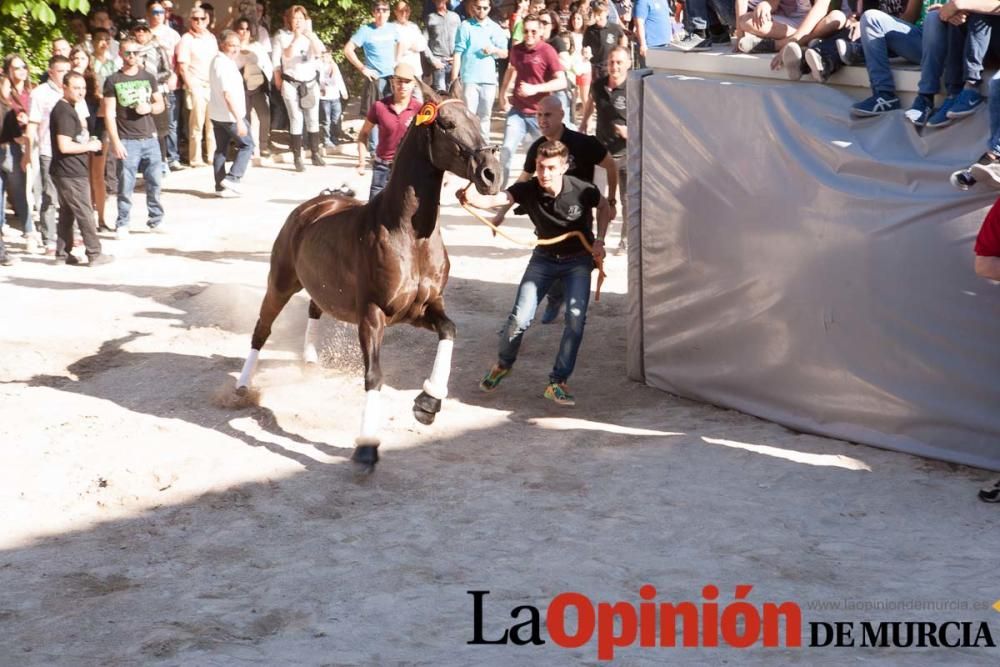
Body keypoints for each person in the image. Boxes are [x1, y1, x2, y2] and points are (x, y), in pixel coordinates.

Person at [460, 139, 612, 406]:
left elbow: (604, 208)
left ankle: (558, 382)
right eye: (541, 167)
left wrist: (600, 240)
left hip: (578, 261)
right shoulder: (528, 189)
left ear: (564, 167)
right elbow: (499, 199)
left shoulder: (583, 190)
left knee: (576, 321)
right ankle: (503, 365)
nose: (544, 173)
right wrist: (472, 198)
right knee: (519, 318)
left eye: (551, 168)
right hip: (543, 259)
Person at [848, 1, 957, 119]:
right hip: (920, 40)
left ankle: (925, 99)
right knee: (871, 17)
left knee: (933, 17)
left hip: (951, 45)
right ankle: (884, 95)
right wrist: (886, 35)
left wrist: (948, 11)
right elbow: (909, 18)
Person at [49, 71, 113, 266]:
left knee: (68, 213)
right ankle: (94, 253)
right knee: (85, 212)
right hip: (70, 172)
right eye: (76, 88)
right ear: (64, 87)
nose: (81, 92)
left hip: (67, 171)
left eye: (83, 88)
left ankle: (62, 253)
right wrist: (90, 146)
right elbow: (64, 145)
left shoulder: (69, 108)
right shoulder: (64, 111)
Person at [104, 36, 166, 237]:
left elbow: (160, 105)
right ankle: (123, 221)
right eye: (128, 52)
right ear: (120, 54)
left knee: (155, 181)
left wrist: (149, 107)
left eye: (135, 53)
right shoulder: (113, 80)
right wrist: (115, 141)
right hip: (127, 139)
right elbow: (109, 113)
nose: (132, 56)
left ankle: (155, 219)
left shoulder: (148, 77)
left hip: (149, 137)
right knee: (125, 184)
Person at [498, 14, 567, 185]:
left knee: (544, 155)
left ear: (541, 31)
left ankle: (544, 190)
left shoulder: (547, 51)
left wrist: (535, 89)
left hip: (540, 114)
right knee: (506, 150)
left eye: (533, 31)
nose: (529, 35)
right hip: (518, 111)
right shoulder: (517, 50)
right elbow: (511, 69)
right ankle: (499, 192)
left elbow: (562, 81)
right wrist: (502, 92)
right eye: (526, 31)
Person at [24, 55, 72, 255]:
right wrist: (29, 153)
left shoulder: (73, 91)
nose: (64, 75)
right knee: (50, 196)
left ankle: (69, 235)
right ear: (51, 72)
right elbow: (32, 124)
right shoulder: (40, 93)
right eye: (61, 71)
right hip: (47, 150)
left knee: (69, 196)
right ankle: (49, 238)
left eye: (66, 71)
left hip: (69, 150)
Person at [582, 46, 629, 250]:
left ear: (628, 64)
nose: (614, 66)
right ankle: (598, 237)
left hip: (627, 153)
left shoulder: (633, 88)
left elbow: (649, 117)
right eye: (611, 62)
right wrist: (584, 121)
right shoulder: (599, 85)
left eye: (619, 62)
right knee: (597, 198)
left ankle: (625, 240)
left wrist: (631, 132)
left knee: (627, 200)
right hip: (602, 154)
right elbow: (591, 101)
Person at [273, 5, 326, 171]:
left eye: (301, 19)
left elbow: (319, 53)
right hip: (291, 83)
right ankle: (297, 156)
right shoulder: (282, 36)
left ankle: (315, 152)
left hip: (310, 83)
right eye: (295, 18)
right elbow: (283, 57)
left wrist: (310, 36)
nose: (298, 22)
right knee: (296, 119)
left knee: (313, 118)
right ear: (289, 20)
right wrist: (295, 38)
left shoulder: (310, 36)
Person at [356, 62, 421, 199]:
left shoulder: (419, 109)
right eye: (399, 81)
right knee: (374, 214)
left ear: (414, 83)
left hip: (408, 169)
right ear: (392, 82)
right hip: (382, 168)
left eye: (407, 82)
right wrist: (361, 161)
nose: (402, 85)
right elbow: (364, 134)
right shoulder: (379, 107)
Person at [345, 1, 402, 154]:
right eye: (378, 10)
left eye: (385, 10)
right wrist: (363, 68)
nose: (381, 13)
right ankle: (374, 151)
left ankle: (390, 149)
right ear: (373, 12)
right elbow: (348, 49)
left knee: (392, 113)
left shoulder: (392, 28)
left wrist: (397, 60)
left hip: (391, 78)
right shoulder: (365, 30)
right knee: (376, 115)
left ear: (389, 13)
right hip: (375, 79)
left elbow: (401, 43)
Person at [452, 0, 509, 141]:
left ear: (490, 8)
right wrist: (454, 79)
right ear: (473, 7)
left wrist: (493, 49)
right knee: (469, 115)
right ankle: (469, 144)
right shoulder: (465, 26)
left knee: (485, 116)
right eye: (478, 8)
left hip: (488, 79)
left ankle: (484, 146)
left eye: (485, 8)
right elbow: (458, 52)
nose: (482, 11)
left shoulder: (495, 28)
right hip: (469, 78)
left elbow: (505, 53)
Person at [209, 30, 254, 197]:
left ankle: (220, 186)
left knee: (221, 150)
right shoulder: (223, 64)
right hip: (229, 116)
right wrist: (239, 120)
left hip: (218, 114)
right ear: (223, 45)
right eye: (231, 45)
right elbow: (227, 94)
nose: (235, 49)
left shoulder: (222, 61)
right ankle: (233, 178)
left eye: (237, 45)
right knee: (248, 144)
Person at [176, 5, 219, 166]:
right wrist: (191, 87)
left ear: (207, 20)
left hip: (212, 85)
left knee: (212, 124)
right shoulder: (186, 39)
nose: (199, 21)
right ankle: (196, 158)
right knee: (196, 124)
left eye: (202, 18)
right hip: (197, 85)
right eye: (195, 18)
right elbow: (183, 67)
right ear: (191, 20)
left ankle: (212, 156)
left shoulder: (211, 38)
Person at [0, 54, 34, 252]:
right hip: (9, 147)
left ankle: (29, 231)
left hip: (14, 149)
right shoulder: (6, 100)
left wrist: (27, 151)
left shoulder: (28, 93)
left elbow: (18, 133)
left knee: (21, 194)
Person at [148, 0, 183, 171]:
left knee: (171, 123)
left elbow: (178, 61)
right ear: (149, 14)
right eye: (154, 12)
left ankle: (172, 156)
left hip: (169, 83)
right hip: (148, 86)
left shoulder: (174, 35)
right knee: (152, 124)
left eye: (161, 12)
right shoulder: (144, 33)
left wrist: (176, 77)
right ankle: (155, 158)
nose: (158, 15)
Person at [234, 15, 273, 158]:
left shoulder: (257, 46)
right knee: (246, 118)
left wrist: (267, 81)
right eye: (241, 29)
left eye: (247, 29)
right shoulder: (234, 47)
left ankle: (263, 145)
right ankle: (248, 147)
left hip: (258, 86)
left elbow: (267, 65)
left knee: (265, 115)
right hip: (241, 87)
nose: (244, 32)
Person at [583, 1, 628, 80]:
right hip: (595, 66)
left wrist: (622, 53)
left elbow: (623, 38)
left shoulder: (615, 28)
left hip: (610, 65)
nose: (598, 17)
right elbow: (585, 46)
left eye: (600, 14)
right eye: (596, 14)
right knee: (597, 89)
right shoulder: (590, 30)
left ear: (606, 13)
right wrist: (586, 52)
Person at [424, 0, 461, 92]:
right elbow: (423, 43)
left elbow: (461, 39)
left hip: (453, 62)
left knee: (454, 94)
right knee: (441, 94)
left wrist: (457, 57)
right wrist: (432, 60)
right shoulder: (430, 18)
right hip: (439, 62)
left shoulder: (455, 17)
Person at [318, 48, 348, 148]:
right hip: (324, 97)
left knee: (336, 118)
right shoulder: (319, 67)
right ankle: (326, 139)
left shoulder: (334, 66)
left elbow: (339, 79)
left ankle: (335, 137)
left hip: (335, 96)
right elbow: (320, 80)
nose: (325, 58)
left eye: (327, 56)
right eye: (323, 56)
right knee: (326, 120)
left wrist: (343, 91)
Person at [634, 0, 673, 67]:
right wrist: (643, 45)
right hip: (651, 46)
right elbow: (639, 23)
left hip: (666, 45)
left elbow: (666, 19)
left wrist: (671, 37)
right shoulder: (642, 1)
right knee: (649, 74)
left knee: (663, 74)